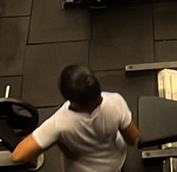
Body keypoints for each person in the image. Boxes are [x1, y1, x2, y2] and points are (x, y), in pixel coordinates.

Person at [11, 65, 140, 171]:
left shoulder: (58, 124)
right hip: (116, 162)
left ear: (66, 96)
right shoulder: (116, 102)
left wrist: (53, 140)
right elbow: (133, 139)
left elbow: (18, 156)